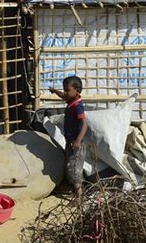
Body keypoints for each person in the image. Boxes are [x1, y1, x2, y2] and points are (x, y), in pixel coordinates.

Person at [49, 75, 88, 204]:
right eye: (64, 90)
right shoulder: (71, 101)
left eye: (67, 90)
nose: (65, 93)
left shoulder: (78, 107)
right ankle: (75, 192)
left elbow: (84, 124)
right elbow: (63, 96)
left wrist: (78, 140)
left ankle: (79, 197)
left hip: (77, 144)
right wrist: (55, 91)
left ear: (77, 91)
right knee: (70, 167)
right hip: (70, 142)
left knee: (74, 170)